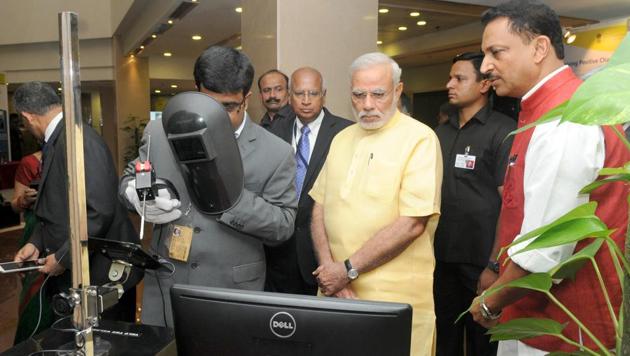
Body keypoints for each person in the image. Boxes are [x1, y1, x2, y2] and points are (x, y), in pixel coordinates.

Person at [469, 1, 629, 354]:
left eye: (496, 52)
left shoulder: (565, 119)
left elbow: (546, 252)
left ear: (539, 48)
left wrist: (488, 303)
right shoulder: (543, 110)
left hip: (562, 330)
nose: (485, 67)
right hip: (533, 318)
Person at [119, 46, 297, 327]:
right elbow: (132, 177)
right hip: (167, 284)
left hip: (232, 290)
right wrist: (140, 195)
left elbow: (283, 226)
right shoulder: (158, 132)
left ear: (247, 99)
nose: (217, 117)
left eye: (228, 107)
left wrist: (230, 200)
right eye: (208, 104)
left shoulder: (276, 152)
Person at [310, 52, 442, 355]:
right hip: (335, 293)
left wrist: (346, 270)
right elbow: (320, 206)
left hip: (394, 301)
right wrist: (331, 270)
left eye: (378, 94)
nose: (367, 104)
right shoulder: (341, 138)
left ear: (397, 91)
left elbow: (412, 224)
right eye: (358, 95)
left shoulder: (420, 139)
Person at [13, 81, 142, 323]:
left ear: (27, 116)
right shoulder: (61, 138)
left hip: (103, 275)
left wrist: (63, 257)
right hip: (83, 271)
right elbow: (57, 205)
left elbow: (99, 211)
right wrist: (36, 242)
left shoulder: (78, 140)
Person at [433, 52, 515, 356]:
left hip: (481, 262)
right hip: (440, 260)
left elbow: (509, 205)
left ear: (484, 85)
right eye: (450, 77)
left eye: (459, 78)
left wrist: (494, 265)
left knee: (483, 343)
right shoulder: (439, 133)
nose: (449, 84)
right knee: (444, 339)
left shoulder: (502, 131)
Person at [266, 67, 352, 295]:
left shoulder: (345, 133)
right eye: (299, 94)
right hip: (279, 251)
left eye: (313, 94)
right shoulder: (276, 131)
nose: (306, 101)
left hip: (323, 253)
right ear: (289, 96)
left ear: (323, 94)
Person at [10, 151, 53, 344]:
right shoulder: (29, 162)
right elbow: (14, 204)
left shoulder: (71, 157)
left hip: (62, 235)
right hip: (34, 236)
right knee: (34, 292)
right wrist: (24, 200)